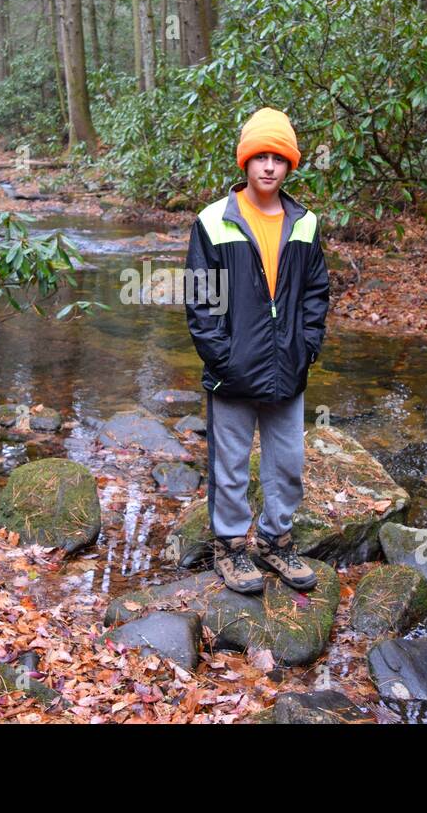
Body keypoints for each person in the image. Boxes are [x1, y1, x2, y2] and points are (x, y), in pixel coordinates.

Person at [183, 107, 330, 594]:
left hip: (288, 369)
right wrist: (222, 357)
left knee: (287, 463)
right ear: (245, 162)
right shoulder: (213, 222)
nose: (269, 166)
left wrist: (307, 347)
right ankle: (230, 547)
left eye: (278, 158)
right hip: (233, 373)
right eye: (260, 156)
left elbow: (315, 293)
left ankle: (275, 540)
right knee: (229, 467)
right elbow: (202, 300)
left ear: (290, 165)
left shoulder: (304, 224)